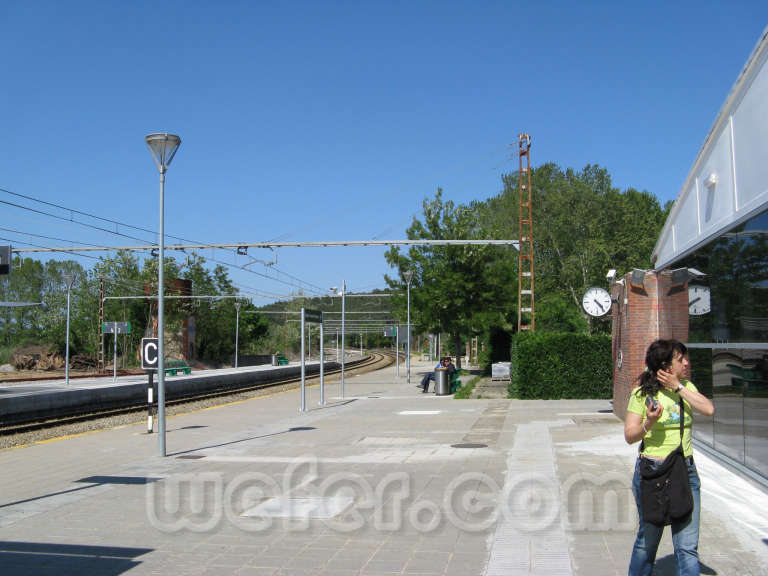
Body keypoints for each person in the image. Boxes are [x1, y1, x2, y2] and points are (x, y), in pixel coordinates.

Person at [625, 339, 715, 576]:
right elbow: (630, 436)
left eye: (686, 358)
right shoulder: (642, 394)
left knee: (687, 547)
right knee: (647, 543)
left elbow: (708, 409)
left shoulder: (686, 388)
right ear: (665, 365)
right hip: (652, 472)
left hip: (685, 472)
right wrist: (649, 422)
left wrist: (678, 387)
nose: (687, 363)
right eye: (681, 359)